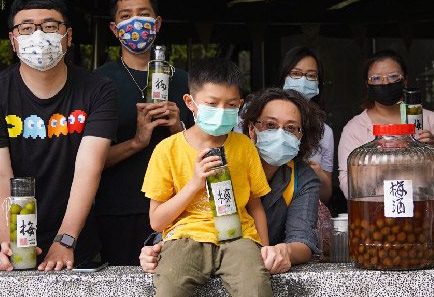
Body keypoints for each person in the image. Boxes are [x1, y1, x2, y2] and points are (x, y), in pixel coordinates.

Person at [0, 0, 117, 271]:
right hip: (5, 243)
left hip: (77, 243)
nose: (38, 36)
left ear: (68, 36)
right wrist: (10, 243)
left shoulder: (98, 90)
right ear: (13, 41)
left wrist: (66, 240)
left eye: (50, 26)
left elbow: (89, 167)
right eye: (26, 28)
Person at [142, 58, 274, 297]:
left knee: (256, 284)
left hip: (238, 236)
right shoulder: (169, 150)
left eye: (230, 105)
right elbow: (157, 219)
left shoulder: (243, 146)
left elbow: (255, 204)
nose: (221, 111)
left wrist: (265, 250)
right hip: (185, 237)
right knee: (169, 286)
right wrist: (193, 184)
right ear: (191, 102)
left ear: (240, 105)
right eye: (212, 103)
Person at [139, 87, 324, 274]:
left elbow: (304, 241)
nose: (280, 134)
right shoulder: (218, 161)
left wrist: (285, 251)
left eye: (291, 128)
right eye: (270, 125)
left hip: (250, 268)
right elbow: (190, 217)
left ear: (302, 135)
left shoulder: (302, 177)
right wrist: (155, 249)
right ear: (251, 129)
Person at [94, 0, 188, 266]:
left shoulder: (184, 80)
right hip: (118, 210)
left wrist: (178, 129)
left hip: (178, 210)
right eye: (126, 16)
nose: (135, 22)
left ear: (157, 23)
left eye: (143, 14)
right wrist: (137, 142)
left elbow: (207, 151)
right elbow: (88, 160)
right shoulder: (98, 83)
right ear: (114, 28)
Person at [337, 50, 434, 196]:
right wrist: (386, 161)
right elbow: (348, 187)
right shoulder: (355, 129)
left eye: (393, 77)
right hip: (377, 214)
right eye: (376, 78)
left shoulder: (431, 120)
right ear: (367, 84)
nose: (385, 83)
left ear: (405, 80)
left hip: (424, 211)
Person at [277, 46, 336, 202]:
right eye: (296, 74)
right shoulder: (265, 124)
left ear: (318, 83)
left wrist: (318, 174)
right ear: (283, 77)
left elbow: (326, 195)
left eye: (311, 76)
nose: (303, 80)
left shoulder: (325, 132)